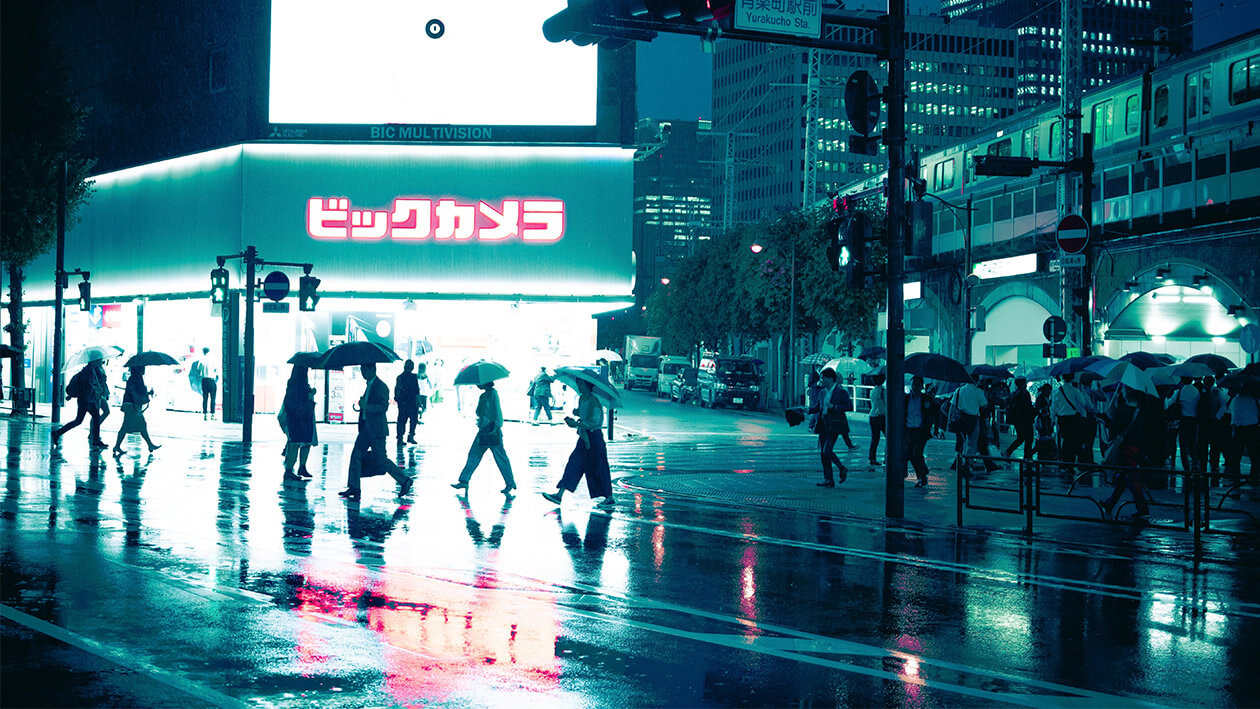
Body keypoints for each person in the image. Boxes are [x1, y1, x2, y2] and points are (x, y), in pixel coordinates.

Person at [339, 362, 414, 500]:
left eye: (365, 370)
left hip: (376, 429)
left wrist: (366, 406)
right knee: (356, 455)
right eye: (362, 370)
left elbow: (382, 407)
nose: (363, 373)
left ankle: (404, 480)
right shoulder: (369, 385)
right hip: (366, 428)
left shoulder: (381, 386)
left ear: (372, 369)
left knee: (381, 460)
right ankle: (354, 487)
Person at [542, 378, 613, 506]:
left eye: (581, 384)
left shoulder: (593, 401)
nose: (579, 386)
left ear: (587, 385)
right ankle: (559, 495)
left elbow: (595, 422)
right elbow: (584, 415)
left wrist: (576, 423)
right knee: (573, 464)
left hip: (594, 439)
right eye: (579, 383)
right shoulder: (582, 399)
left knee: (599, 467)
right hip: (583, 437)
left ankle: (609, 497)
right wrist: (577, 413)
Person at [451, 380, 516, 495]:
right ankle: (464, 480)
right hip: (483, 430)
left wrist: (497, 426)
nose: (477, 385)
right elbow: (478, 412)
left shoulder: (493, 394)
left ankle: (510, 482)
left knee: (500, 457)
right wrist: (482, 403)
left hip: (492, 430)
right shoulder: (484, 396)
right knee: (474, 454)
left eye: (479, 383)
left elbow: (497, 411)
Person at [1100, 384, 1153, 520]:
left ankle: (1142, 508)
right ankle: (1110, 503)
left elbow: (1115, 428)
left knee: (1131, 477)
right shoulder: (1142, 410)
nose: (1122, 391)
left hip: (1126, 447)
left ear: (1128, 391)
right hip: (1137, 446)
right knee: (1124, 476)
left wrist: (1106, 420)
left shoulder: (1123, 409)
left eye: (1123, 389)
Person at [809, 367, 853, 487]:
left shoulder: (841, 392)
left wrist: (834, 406)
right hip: (823, 424)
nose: (821, 380)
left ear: (830, 378)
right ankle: (828, 479)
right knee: (823, 454)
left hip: (835, 423)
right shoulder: (822, 392)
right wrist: (807, 410)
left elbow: (849, 406)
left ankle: (841, 468)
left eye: (823, 378)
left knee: (827, 450)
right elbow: (818, 407)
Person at [53, 358, 110, 449]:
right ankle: (57, 433)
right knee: (82, 420)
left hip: (88, 399)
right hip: (86, 400)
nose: (101, 362)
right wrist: (95, 389)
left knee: (91, 418)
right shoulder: (88, 371)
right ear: (93, 361)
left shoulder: (92, 370)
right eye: (99, 360)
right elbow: (85, 386)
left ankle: (95, 440)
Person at [111, 365, 161, 456]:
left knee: (136, 425)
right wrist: (140, 399)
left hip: (130, 404)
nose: (144, 369)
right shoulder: (135, 378)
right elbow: (134, 392)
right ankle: (149, 445)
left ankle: (149, 445)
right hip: (132, 405)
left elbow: (137, 392)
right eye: (142, 367)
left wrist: (148, 393)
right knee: (136, 425)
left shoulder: (135, 378)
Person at [280, 364, 317, 481]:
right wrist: (311, 395)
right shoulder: (300, 386)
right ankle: (294, 469)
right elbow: (303, 400)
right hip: (302, 417)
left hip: (296, 418)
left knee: (299, 443)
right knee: (301, 443)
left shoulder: (291, 384)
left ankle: (292, 469)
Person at [949, 374, 990, 475]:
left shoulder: (959, 390)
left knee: (960, 442)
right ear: (976, 380)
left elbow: (953, 406)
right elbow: (984, 405)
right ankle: (967, 464)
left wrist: (949, 420)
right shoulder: (978, 391)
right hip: (973, 420)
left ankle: (958, 462)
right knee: (972, 444)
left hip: (960, 420)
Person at [1051, 373, 1089, 465]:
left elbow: (1053, 408)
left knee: (1066, 440)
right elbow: (1082, 403)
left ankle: (1066, 462)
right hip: (1073, 419)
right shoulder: (1075, 390)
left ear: (1062, 378)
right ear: (1072, 378)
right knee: (1074, 440)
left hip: (1062, 419)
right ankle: (1074, 461)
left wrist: (1052, 420)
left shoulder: (1056, 391)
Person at [1224, 385, 1259, 482]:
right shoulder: (1255, 399)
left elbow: (1233, 416)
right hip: (1253, 428)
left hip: (1240, 429)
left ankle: (1236, 476)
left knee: (1236, 455)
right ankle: (1254, 476)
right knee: (1254, 454)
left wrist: (1233, 430)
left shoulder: (1235, 400)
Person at [905, 376, 934, 486]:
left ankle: (922, 477)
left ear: (921, 386)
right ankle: (922, 472)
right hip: (908, 430)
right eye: (913, 384)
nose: (915, 387)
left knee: (917, 454)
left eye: (917, 385)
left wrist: (934, 429)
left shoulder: (926, 399)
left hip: (921, 431)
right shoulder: (906, 399)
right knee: (909, 454)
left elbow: (934, 413)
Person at [1167, 375, 1201, 471]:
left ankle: (1186, 466)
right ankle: (1195, 463)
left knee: (1183, 444)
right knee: (1193, 442)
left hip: (1184, 419)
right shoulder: (1196, 391)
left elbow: (1169, 403)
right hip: (1194, 419)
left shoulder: (1180, 391)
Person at [1004, 377, 1035, 460]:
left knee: (1021, 438)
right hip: (1025, 420)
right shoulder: (1024, 394)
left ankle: (1008, 451)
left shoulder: (1014, 394)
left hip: (1018, 420)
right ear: (1022, 384)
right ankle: (1027, 457)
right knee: (1028, 439)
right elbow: (1027, 407)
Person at [394, 360, 420, 444]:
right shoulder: (413, 377)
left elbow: (397, 390)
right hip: (410, 402)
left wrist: (398, 400)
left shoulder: (400, 377)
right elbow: (417, 391)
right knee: (412, 420)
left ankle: (400, 438)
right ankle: (410, 436)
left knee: (402, 420)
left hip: (404, 402)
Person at [867, 374, 886, 466]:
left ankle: (872, 458)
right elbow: (886, 405)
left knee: (875, 438)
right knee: (889, 438)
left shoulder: (872, 391)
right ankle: (887, 457)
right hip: (881, 416)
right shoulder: (883, 391)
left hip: (872, 415)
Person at [196, 347, 219, 419]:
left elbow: (199, 371)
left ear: (203, 352)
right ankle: (212, 414)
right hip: (212, 381)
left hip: (204, 381)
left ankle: (205, 415)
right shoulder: (213, 360)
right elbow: (216, 370)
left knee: (205, 398)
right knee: (213, 398)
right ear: (209, 352)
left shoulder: (201, 360)